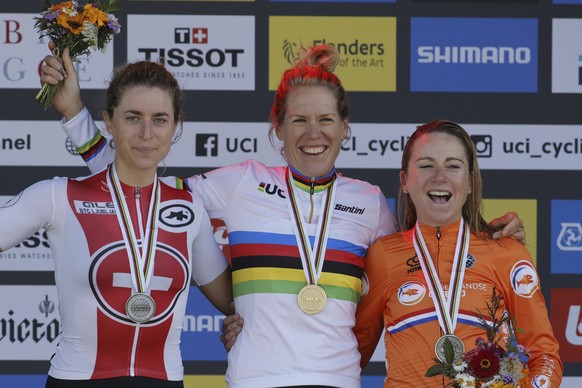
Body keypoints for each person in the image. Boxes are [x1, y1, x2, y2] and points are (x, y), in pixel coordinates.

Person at [40, 44, 525, 387]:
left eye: (325, 120)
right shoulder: (236, 184)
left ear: (345, 127)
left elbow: (431, 254)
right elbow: (138, 187)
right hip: (254, 380)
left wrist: (490, 240)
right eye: (298, 120)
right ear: (278, 127)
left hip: (337, 380)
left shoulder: (371, 202)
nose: (313, 133)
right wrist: (75, 116)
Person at [1, 60, 233, 387]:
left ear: (176, 125)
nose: (146, 133)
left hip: (164, 380)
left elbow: (234, 301)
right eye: (133, 118)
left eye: (160, 120)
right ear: (109, 122)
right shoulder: (57, 196)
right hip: (77, 379)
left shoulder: (189, 206)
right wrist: (73, 112)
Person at [354, 120, 562, 387]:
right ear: (405, 180)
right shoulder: (383, 256)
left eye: (453, 166)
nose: (439, 176)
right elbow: (352, 356)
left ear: (470, 182)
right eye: (426, 165)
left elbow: (543, 355)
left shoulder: (506, 252)